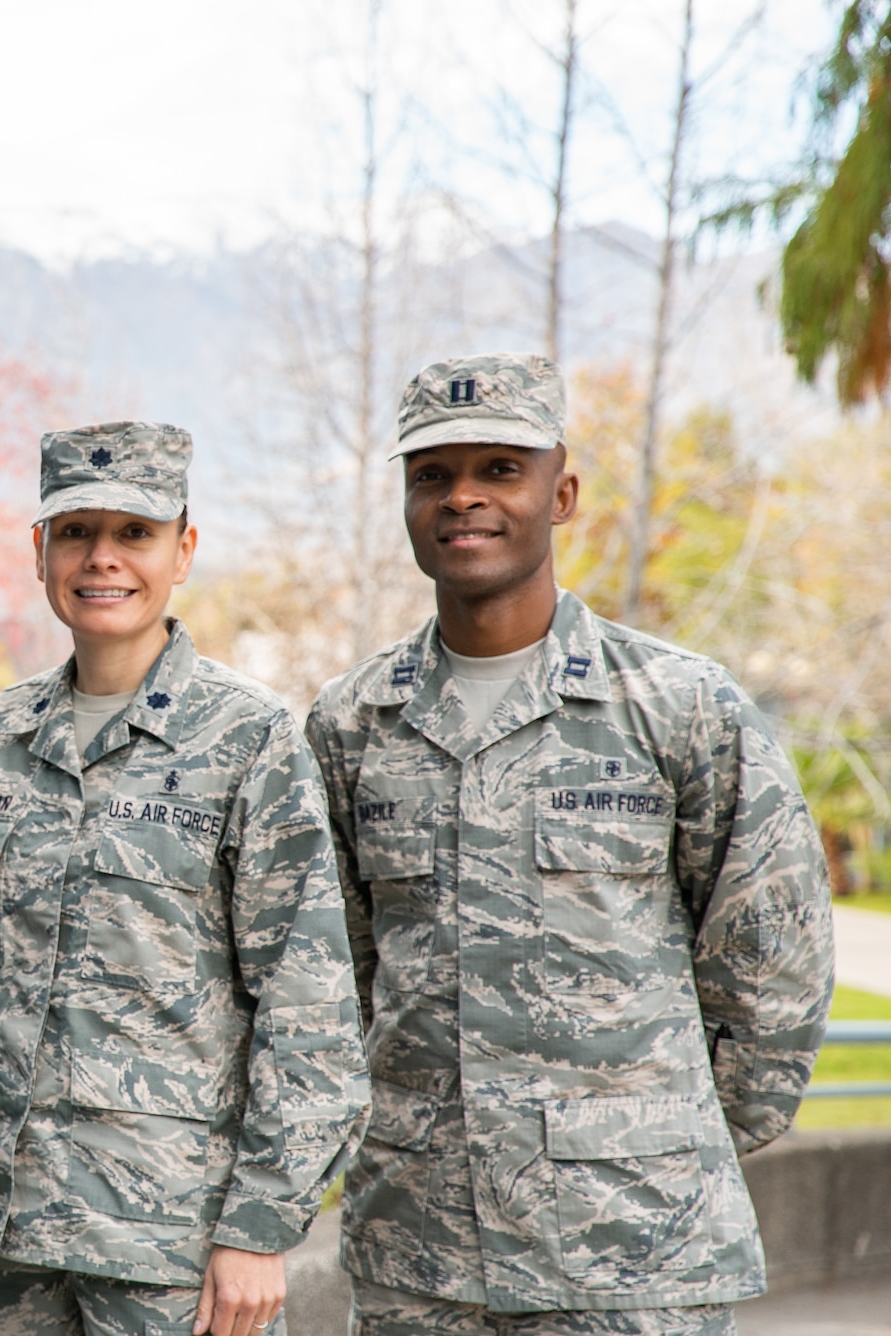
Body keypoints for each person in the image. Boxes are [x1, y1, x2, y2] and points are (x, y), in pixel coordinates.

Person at [305, 353, 835, 1335]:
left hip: (630, 1253)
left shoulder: (676, 706)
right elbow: (328, 974)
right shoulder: (349, 725)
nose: (462, 496)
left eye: (499, 468)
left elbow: (772, 956)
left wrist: (661, 1147)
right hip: (420, 1256)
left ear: (562, 493)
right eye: (431, 474)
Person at [0, 421, 369, 1336]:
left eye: (134, 533)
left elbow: (309, 1006)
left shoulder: (248, 738)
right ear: (39, 551)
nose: (103, 559)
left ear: (184, 551)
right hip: (14, 1238)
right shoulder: (11, 732)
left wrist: (260, 1225)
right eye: (76, 531)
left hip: (177, 1249)